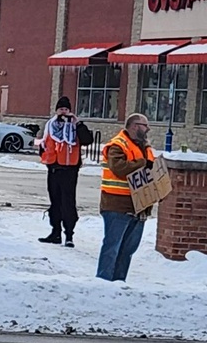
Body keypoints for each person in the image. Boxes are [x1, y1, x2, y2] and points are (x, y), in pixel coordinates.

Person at [97, 113, 155, 282]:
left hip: (138, 206)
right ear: (135, 126)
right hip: (117, 205)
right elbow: (119, 168)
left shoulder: (145, 147)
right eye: (145, 126)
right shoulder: (117, 145)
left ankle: (118, 282)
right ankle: (103, 282)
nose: (148, 129)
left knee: (127, 250)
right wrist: (143, 164)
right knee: (112, 247)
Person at [38, 96, 86, 247]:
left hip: (70, 170)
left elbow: (87, 139)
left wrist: (78, 124)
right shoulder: (50, 125)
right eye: (61, 109)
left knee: (68, 203)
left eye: (66, 109)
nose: (63, 112)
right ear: (56, 110)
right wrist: (46, 159)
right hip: (54, 169)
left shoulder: (75, 127)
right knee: (55, 202)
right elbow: (43, 143)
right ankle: (55, 232)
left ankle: (69, 234)